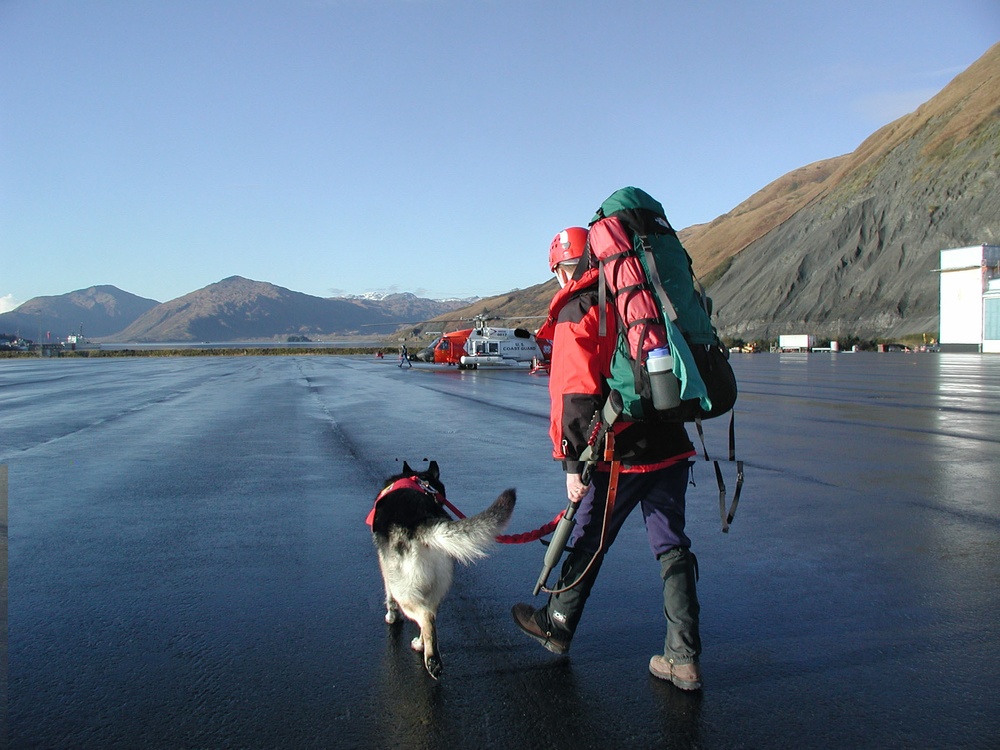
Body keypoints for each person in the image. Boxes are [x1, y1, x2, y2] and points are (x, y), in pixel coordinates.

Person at [511, 226, 703, 690]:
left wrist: (573, 465)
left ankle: (557, 623)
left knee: (588, 535)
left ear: (562, 268)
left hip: (619, 454)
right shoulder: (639, 297)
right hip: (672, 444)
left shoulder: (579, 307)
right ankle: (684, 657)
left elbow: (573, 393)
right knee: (671, 543)